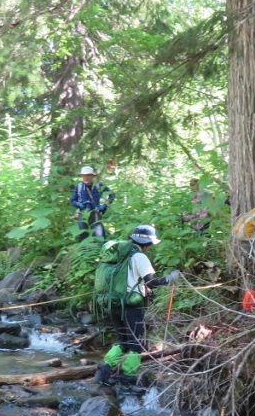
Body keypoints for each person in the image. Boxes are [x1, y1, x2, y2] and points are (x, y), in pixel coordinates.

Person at [97, 224, 179, 386]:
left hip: (113, 303)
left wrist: (145, 289)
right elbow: (152, 282)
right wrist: (170, 277)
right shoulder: (139, 257)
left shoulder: (120, 255)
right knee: (137, 344)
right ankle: (128, 378)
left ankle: (104, 372)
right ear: (147, 243)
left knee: (122, 340)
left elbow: (133, 281)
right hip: (131, 306)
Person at [70, 165, 115, 239]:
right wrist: (79, 204)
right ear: (82, 176)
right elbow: (72, 200)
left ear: (92, 176)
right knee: (84, 236)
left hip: (96, 214)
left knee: (100, 236)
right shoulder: (78, 186)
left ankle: (101, 249)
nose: (86, 177)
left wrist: (104, 206)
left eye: (88, 175)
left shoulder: (98, 185)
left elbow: (112, 195)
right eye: (84, 175)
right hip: (83, 215)